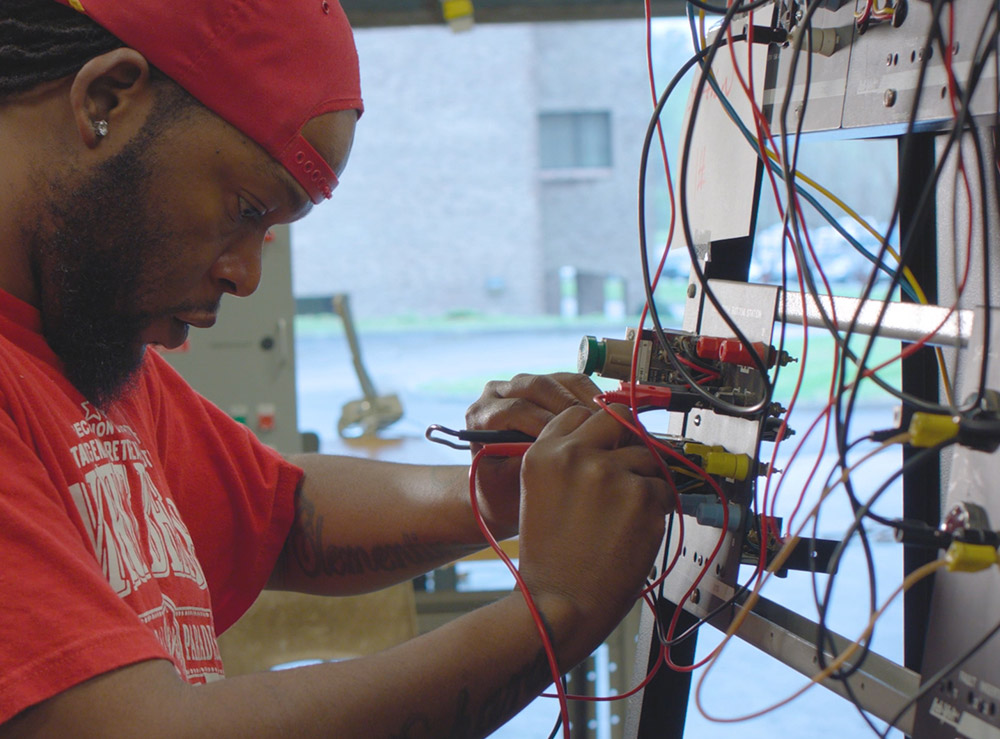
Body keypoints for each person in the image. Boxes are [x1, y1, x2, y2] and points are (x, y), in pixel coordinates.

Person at [0, 1, 672, 735]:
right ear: (107, 99)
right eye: (247, 208)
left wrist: (495, 494)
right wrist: (556, 608)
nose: (248, 275)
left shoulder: (86, 353)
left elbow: (276, 515)